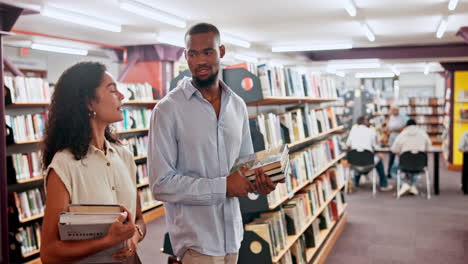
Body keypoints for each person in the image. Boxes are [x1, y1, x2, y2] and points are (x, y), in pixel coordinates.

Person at [148, 23, 278, 264]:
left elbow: (245, 166)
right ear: (185, 56)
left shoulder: (237, 105)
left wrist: (259, 182)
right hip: (196, 242)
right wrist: (224, 187)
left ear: (222, 51)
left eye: (207, 52)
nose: (200, 61)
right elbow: (160, 185)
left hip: (233, 237)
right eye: (193, 54)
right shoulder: (167, 110)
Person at [40, 62, 146, 263]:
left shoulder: (124, 156)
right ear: (89, 102)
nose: (122, 96)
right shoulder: (65, 164)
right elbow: (49, 253)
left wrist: (134, 235)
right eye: (112, 90)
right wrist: (109, 241)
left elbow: (139, 218)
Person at [346, 116, 392, 191]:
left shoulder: (353, 131)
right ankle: (384, 184)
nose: (369, 122)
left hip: (354, 162)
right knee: (379, 159)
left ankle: (356, 182)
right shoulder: (371, 131)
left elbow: (348, 145)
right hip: (368, 161)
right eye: (367, 121)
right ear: (364, 122)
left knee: (358, 159)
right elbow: (374, 146)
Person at [391, 119, 431, 196]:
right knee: (415, 163)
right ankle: (413, 186)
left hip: (405, 163)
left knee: (393, 169)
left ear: (406, 126)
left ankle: (404, 184)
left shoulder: (402, 134)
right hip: (420, 164)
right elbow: (428, 148)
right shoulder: (423, 134)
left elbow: (394, 149)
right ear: (416, 125)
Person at [386, 107, 407, 178]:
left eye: (395, 110)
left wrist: (394, 130)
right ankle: (389, 172)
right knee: (391, 157)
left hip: (400, 139)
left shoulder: (402, 118)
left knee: (402, 157)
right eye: (392, 110)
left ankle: (405, 172)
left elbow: (404, 128)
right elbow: (388, 128)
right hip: (392, 140)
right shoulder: (390, 118)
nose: (394, 111)